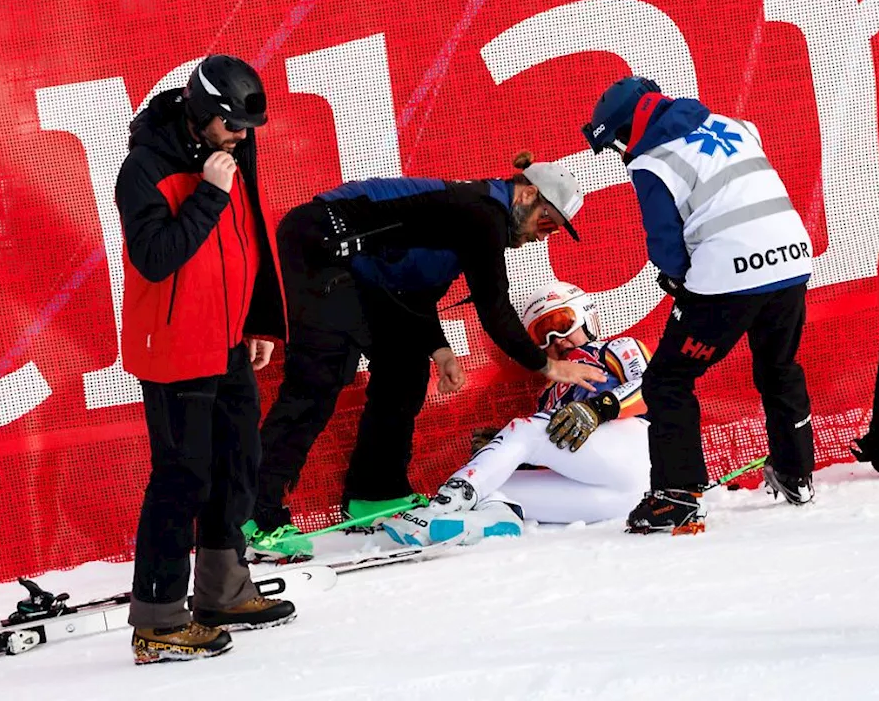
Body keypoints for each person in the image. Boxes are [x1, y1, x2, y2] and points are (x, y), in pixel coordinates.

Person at [242, 154, 608, 561]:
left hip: (357, 266)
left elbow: (411, 294)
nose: (542, 237)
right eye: (546, 223)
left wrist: (440, 350)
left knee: (404, 368)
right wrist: (550, 366)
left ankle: (374, 492)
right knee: (317, 381)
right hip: (318, 243)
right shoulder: (482, 213)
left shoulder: (472, 213)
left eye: (552, 232)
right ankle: (252, 514)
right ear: (526, 193)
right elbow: (494, 308)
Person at [115, 54, 295, 664]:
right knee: (181, 479)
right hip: (172, 349)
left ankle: (220, 592)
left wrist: (261, 319)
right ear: (199, 112)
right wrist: (209, 195)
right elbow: (157, 258)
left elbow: (254, 231)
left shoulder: (234, 150)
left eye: (248, 129)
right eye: (232, 127)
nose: (242, 139)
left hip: (227, 339)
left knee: (239, 463)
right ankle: (159, 620)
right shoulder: (143, 167)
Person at [581, 76, 817, 535]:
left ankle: (675, 496)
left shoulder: (653, 161)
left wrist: (678, 279)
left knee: (668, 380)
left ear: (633, 123)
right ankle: (796, 473)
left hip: (729, 272)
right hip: (792, 258)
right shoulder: (736, 124)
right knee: (779, 364)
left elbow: (666, 244)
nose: (621, 149)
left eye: (618, 138)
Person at [382, 281, 652, 546]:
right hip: (614, 498)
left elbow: (653, 389)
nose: (556, 340)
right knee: (492, 484)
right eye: (542, 335)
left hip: (640, 457)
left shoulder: (615, 349)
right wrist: (507, 455)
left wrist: (596, 409)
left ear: (587, 318)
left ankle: (445, 502)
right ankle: (494, 520)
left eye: (561, 324)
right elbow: (565, 460)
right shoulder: (548, 394)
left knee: (524, 430)